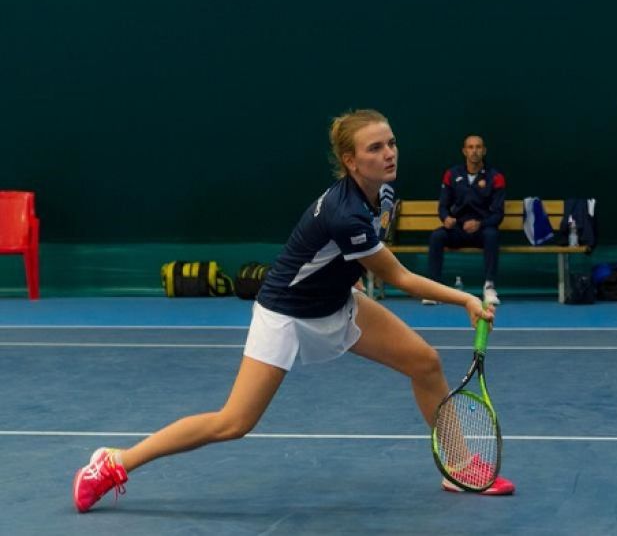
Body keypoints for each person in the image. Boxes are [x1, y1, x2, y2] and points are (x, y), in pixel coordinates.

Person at [71, 110, 515, 513]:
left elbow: (351, 254)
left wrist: (344, 274)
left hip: (335, 301)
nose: (388, 153)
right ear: (350, 161)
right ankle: (115, 462)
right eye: (375, 148)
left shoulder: (382, 194)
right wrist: (466, 299)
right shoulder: (344, 213)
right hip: (286, 313)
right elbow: (398, 276)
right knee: (234, 422)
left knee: (425, 363)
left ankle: (457, 466)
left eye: (391, 143)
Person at [424, 135, 506, 307]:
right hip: (458, 230)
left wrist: (480, 224)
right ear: (464, 151)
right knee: (437, 236)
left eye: (478, 147)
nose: (474, 151)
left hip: (482, 231)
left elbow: (498, 214)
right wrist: (446, 218)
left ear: (484, 151)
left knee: (492, 235)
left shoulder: (495, 177)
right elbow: (443, 206)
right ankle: (433, 289)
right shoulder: (452, 174)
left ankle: (489, 287)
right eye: (470, 147)